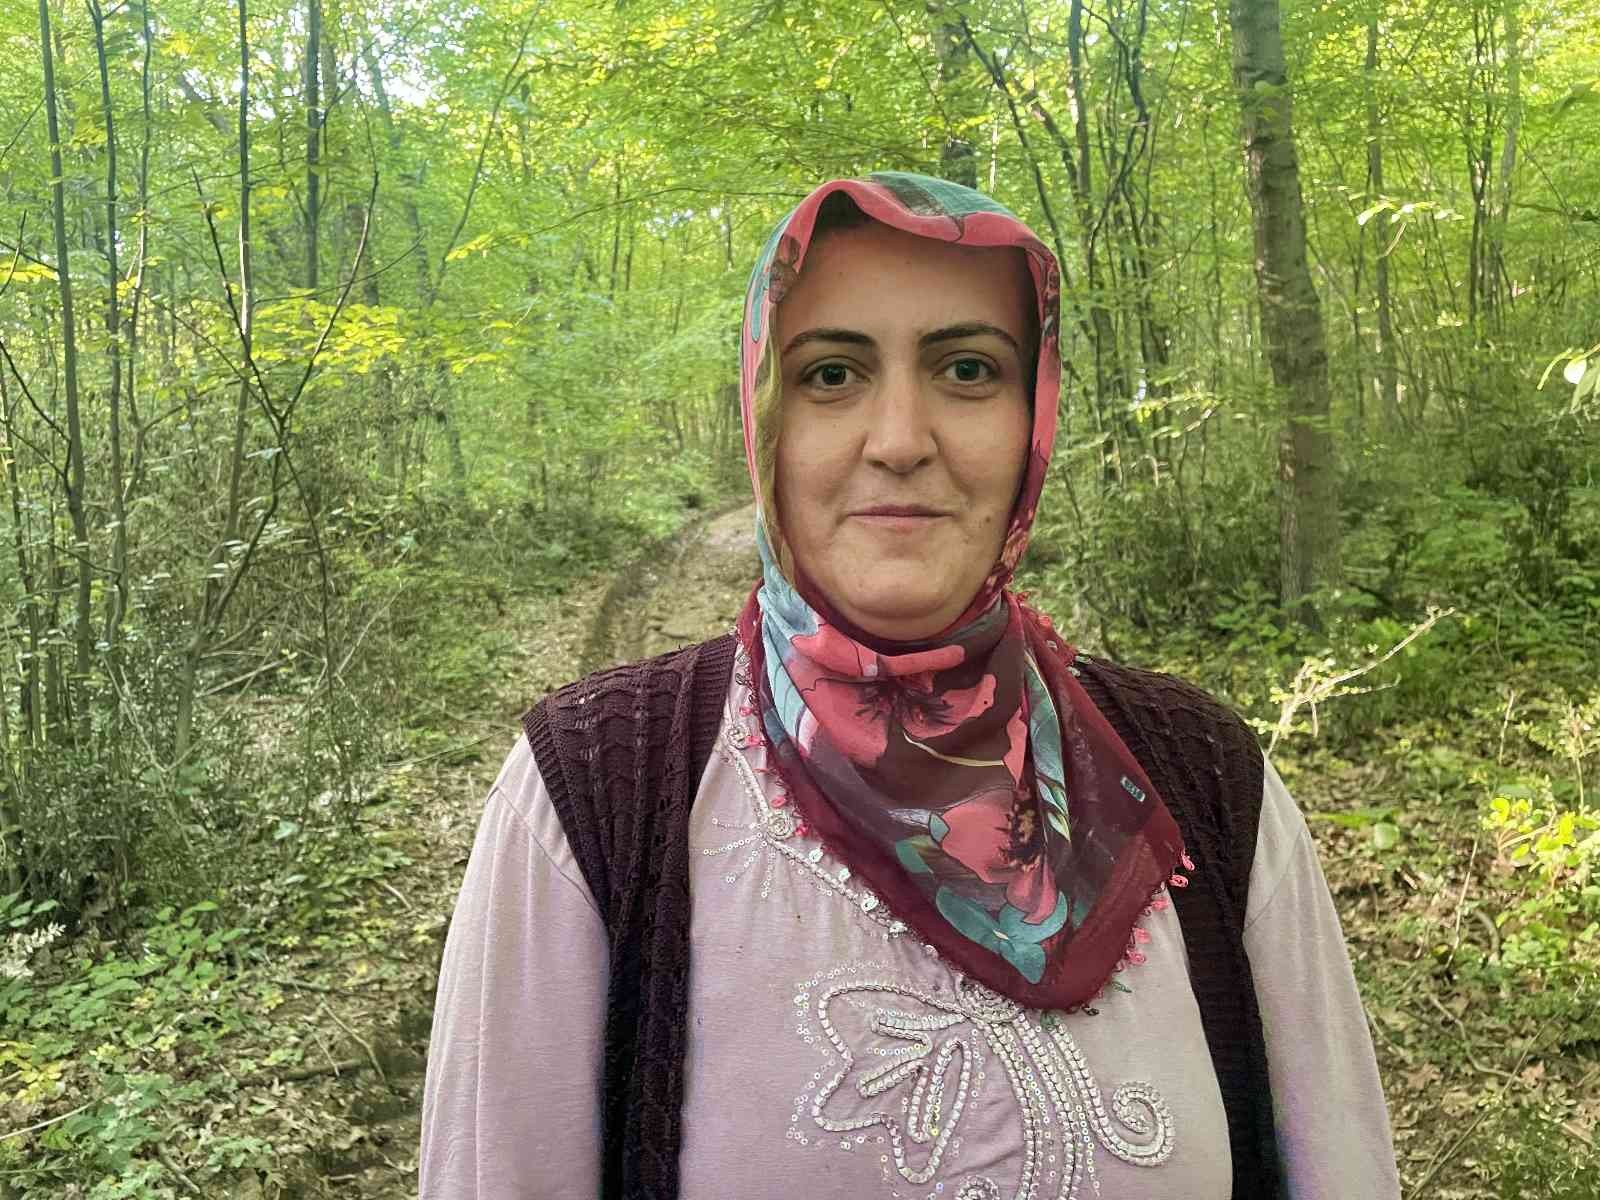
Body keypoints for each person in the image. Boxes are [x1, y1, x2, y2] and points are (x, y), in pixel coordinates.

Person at [419, 172, 1401, 1200]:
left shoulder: (1203, 778)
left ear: (1034, 415)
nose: (898, 440)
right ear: (766, 418)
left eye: (967, 369)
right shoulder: (594, 789)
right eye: (831, 374)